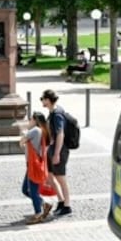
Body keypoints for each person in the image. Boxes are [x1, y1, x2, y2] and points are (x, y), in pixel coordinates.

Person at [40, 89, 72, 217]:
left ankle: (67, 205)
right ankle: (61, 201)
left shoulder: (57, 114)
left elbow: (60, 134)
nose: (42, 101)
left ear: (48, 99)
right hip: (52, 149)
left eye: (42, 98)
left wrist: (57, 153)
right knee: (50, 176)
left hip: (59, 149)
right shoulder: (52, 112)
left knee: (61, 178)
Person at [19, 111, 53, 224]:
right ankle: (44, 203)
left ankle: (38, 214)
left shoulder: (34, 131)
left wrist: (24, 131)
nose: (29, 121)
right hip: (33, 165)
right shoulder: (41, 130)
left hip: (34, 166)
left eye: (30, 119)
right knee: (25, 189)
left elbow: (21, 142)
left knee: (32, 191)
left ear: (34, 120)